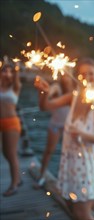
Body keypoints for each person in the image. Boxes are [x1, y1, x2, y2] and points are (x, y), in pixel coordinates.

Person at [34, 58, 94, 220]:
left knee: (80, 214)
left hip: (87, 169)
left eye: (91, 73)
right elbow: (45, 107)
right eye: (82, 74)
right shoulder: (72, 97)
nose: (87, 77)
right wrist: (44, 93)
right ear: (76, 77)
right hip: (69, 165)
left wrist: (82, 135)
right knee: (72, 206)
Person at [34, 74, 74, 188]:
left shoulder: (77, 90)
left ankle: (66, 181)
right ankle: (41, 177)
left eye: (69, 74)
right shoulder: (57, 87)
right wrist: (44, 92)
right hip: (56, 124)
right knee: (49, 151)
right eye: (65, 75)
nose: (67, 78)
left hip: (70, 127)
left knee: (70, 154)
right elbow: (47, 97)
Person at [0, 62, 23, 197]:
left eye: (10, 71)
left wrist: (15, 68)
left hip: (11, 123)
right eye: (4, 71)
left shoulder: (15, 86)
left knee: (11, 153)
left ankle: (14, 185)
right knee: (5, 153)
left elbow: (16, 76)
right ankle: (18, 177)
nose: (7, 74)